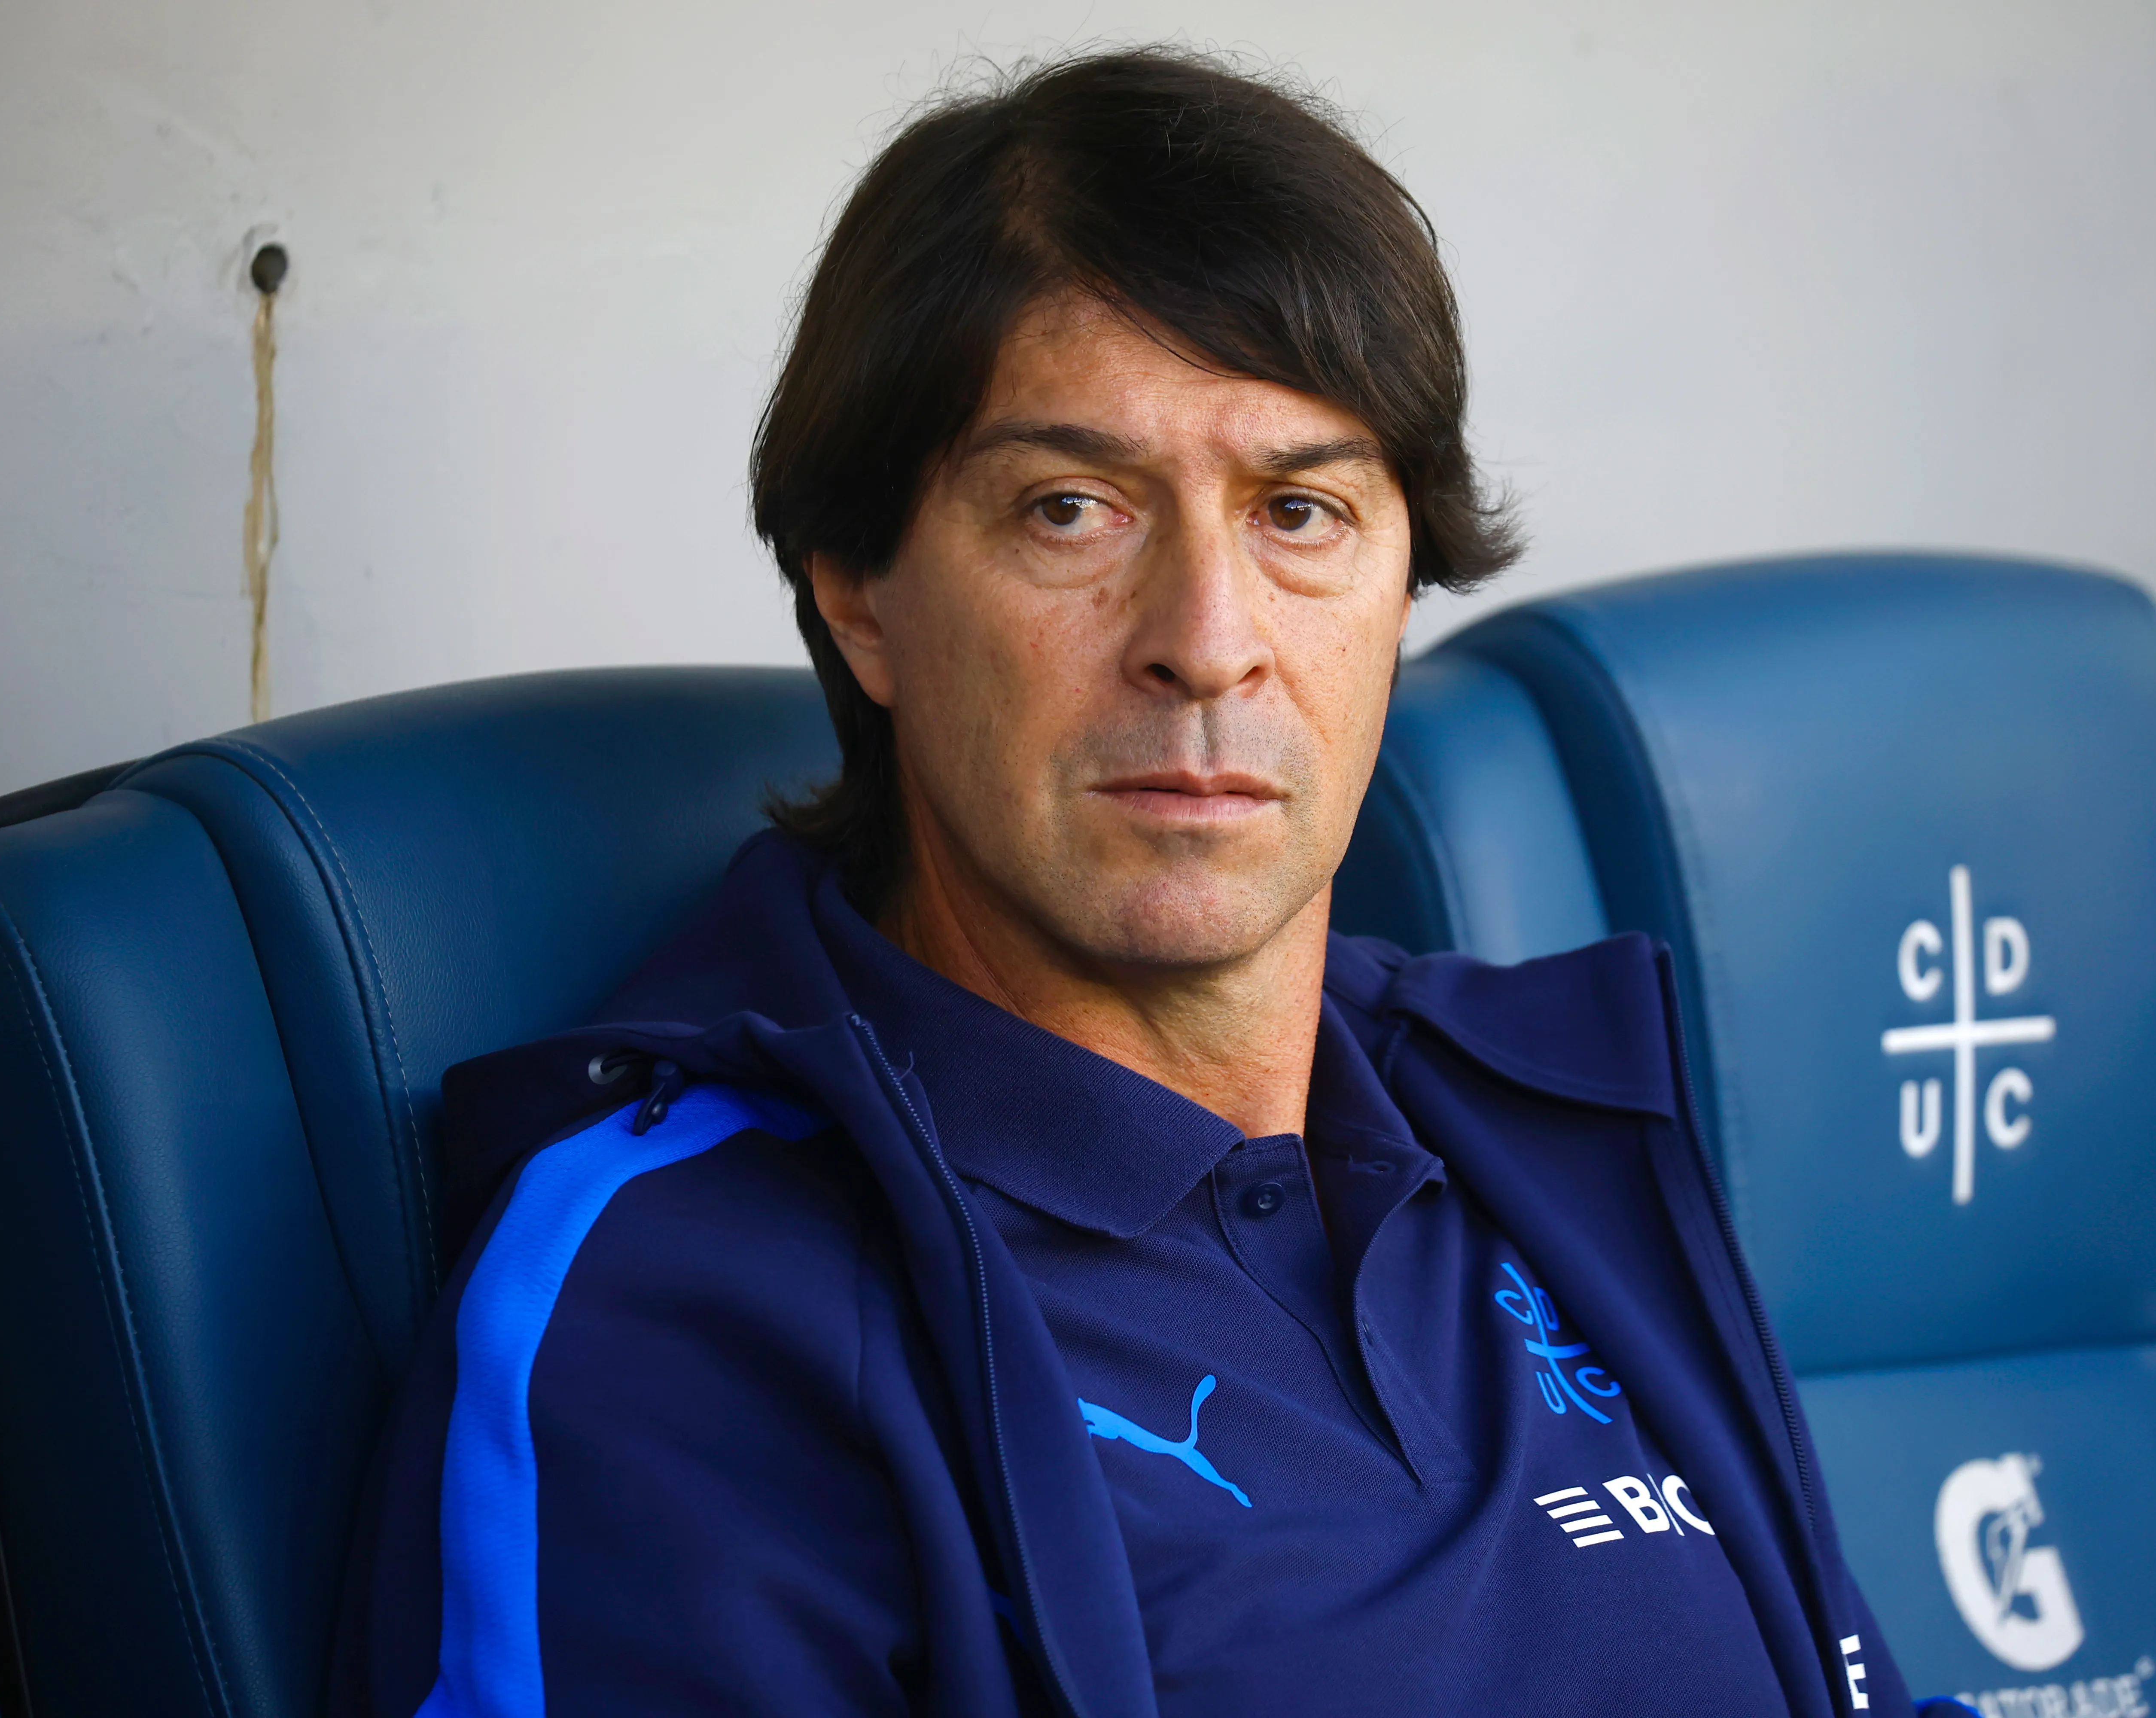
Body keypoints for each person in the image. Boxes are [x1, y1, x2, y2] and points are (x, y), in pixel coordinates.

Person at [332, 47, 1925, 1717]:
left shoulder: (1538, 1127)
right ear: (861, 594)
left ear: (1402, 584)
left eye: (1300, 509)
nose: (1209, 641)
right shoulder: (681, 1300)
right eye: (1074, 509)